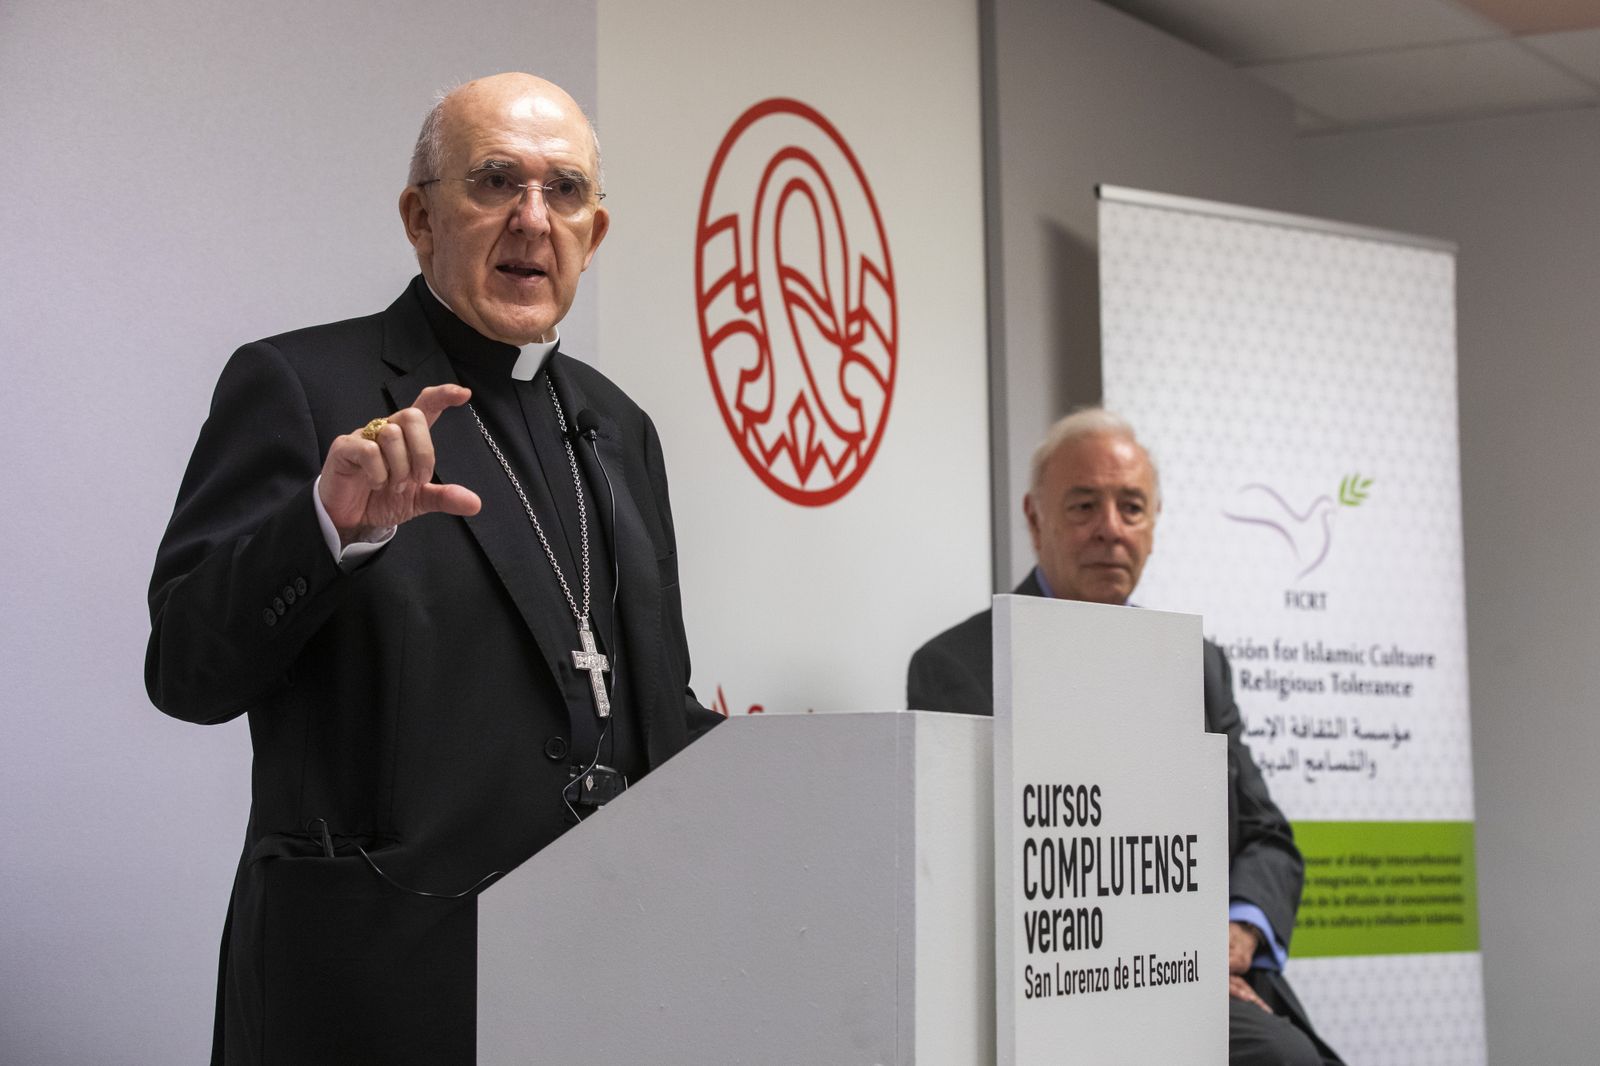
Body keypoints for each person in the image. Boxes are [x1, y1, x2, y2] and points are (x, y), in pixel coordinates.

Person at [146, 73, 720, 1066]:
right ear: (419, 218)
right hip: (373, 993)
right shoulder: (303, 385)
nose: (533, 219)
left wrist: (776, 764)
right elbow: (186, 672)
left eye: (564, 191)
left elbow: (643, 702)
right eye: (496, 181)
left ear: (594, 233)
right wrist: (327, 530)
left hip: (599, 980)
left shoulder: (621, 427)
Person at [907, 409, 1342, 1066]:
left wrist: (1233, 934)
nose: (1110, 528)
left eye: (1131, 508)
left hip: (1202, 974)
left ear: (1154, 526)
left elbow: (1266, 836)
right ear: (1035, 519)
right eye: (1084, 506)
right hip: (1050, 993)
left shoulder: (1197, 665)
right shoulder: (961, 666)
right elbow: (971, 888)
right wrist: (1160, 959)